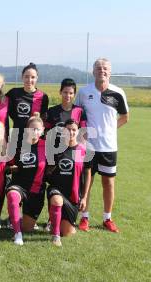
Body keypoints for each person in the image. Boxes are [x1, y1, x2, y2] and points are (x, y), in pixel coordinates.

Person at [74, 58, 129, 233]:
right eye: (99, 68)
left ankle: (107, 218)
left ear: (110, 72)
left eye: (105, 68)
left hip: (109, 147)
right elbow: (76, 115)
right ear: (93, 71)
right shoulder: (84, 92)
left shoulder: (118, 92)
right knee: (86, 184)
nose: (102, 71)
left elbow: (125, 117)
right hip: (87, 147)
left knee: (108, 183)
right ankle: (85, 217)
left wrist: (111, 131)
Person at [46, 119, 92, 246]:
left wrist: (84, 197)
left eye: (74, 129)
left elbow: (87, 173)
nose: (71, 132)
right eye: (68, 129)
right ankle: (55, 236)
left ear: (78, 132)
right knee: (56, 200)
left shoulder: (82, 150)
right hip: (56, 190)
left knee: (67, 233)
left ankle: (59, 222)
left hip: (73, 196)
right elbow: (48, 171)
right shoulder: (57, 150)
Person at [5, 113, 47, 245]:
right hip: (19, 186)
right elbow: (6, 166)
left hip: (36, 190)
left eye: (37, 129)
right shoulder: (17, 146)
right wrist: (11, 168)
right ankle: (17, 234)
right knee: (12, 195)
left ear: (42, 130)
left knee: (28, 228)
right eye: (31, 128)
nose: (34, 131)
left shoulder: (47, 147)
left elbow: (53, 167)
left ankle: (13, 219)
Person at [6, 63, 49, 151]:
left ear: (37, 78)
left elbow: (43, 119)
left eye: (33, 77)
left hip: (34, 139)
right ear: (22, 77)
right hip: (17, 137)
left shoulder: (43, 96)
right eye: (26, 76)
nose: (29, 80)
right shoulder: (13, 93)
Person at [45, 78, 86, 148]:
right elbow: (46, 131)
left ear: (74, 94)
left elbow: (83, 133)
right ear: (60, 92)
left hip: (73, 152)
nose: (68, 96)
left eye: (71, 93)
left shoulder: (80, 111)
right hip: (55, 151)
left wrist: (81, 150)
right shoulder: (52, 110)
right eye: (65, 92)